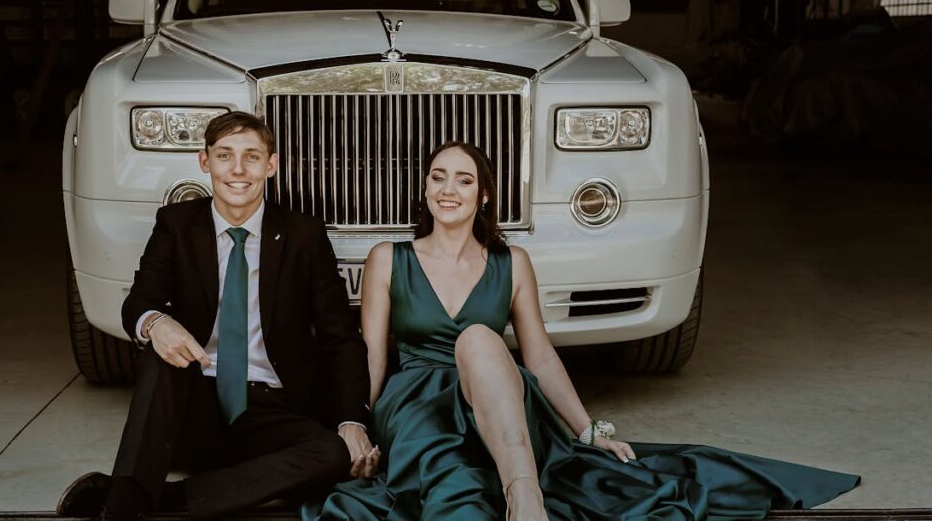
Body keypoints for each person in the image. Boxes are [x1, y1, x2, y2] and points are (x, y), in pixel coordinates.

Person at [304, 141, 860, 520]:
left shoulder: (512, 262)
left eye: (464, 179)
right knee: (454, 474)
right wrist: (357, 426)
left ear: (485, 195)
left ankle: (527, 501)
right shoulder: (389, 257)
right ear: (425, 186)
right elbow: (372, 355)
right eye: (437, 176)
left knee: (480, 340)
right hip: (419, 398)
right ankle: (518, 493)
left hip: (499, 391)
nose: (447, 189)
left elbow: (541, 357)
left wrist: (590, 429)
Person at [57, 112, 380, 521]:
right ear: (204, 161)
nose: (239, 169)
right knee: (164, 348)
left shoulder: (303, 234)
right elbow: (139, 301)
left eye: (252, 156)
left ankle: (152, 498)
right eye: (225, 155)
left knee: (331, 453)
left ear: (271, 165)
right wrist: (157, 322)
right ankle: (122, 511)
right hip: (193, 404)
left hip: (272, 407)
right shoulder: (177, 225)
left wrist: (353, 420)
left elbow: (340, 338)